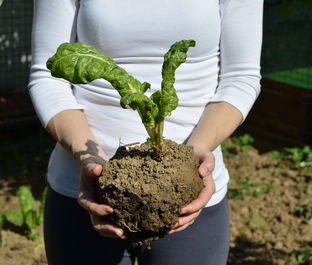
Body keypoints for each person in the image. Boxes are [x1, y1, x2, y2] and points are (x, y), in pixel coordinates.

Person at [28, 0, 263, 264]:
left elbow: (241, 76)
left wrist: (193, 158)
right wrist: (88, 159)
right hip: (85, 190)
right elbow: (47, 77)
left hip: (189, 194)